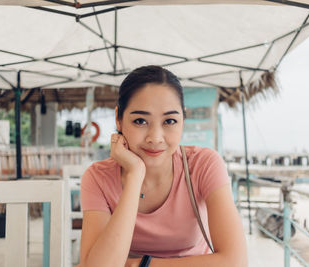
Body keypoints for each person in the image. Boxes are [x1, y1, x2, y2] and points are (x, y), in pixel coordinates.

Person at [79, 65, 247, 267]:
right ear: (119, 119)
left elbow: (235, 262)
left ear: (183, 119)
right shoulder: (98, 178)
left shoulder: (204, 164)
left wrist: (140, 265)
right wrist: (135, 176)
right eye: (140, 121)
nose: (155, 138)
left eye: (169, 121)